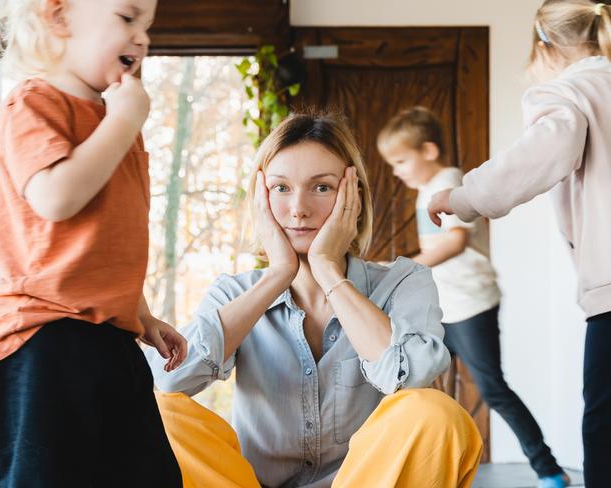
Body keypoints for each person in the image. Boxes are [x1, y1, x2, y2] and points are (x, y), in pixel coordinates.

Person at [145, 112, 483, 488]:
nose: (299, 209)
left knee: (435, 413)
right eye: (281, 188)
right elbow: (169, 379)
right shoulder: (235, 293)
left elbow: (415, 381)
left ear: (353, 196)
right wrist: (277, 276)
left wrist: (328, 272)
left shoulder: (405, 282)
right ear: (261, 198)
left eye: (321, 188)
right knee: (158, 411)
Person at [0, 0, 186, 486]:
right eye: (127, 17)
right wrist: (123, 123)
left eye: (148, 26)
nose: (142, 37)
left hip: (108, 335)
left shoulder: (113, 119)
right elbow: (57, 198)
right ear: (59, 18)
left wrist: (143, 315)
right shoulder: (32, 103)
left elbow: (104, 242)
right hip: (42, 337)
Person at [427, 1, 611, 487]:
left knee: (604, 423)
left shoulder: (570, 91)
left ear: (545, 45)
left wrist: (464, 195)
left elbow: (540, 154)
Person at [378, 106, 570, 488]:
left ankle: (548, 469)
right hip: (442, 306)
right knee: (418, 386)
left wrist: (398, 269)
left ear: (429, 151)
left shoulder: (448, 182)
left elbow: (454, 241)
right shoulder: (426, 190)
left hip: (470, 304)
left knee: (492, 388)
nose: (396, 170)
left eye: (401, 160)